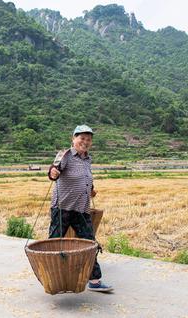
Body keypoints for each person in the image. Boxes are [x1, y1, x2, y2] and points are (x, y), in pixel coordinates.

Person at [48, 125, 114, 293]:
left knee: (90, 243)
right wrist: (53, 173)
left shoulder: (87, 159)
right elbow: (54, 170)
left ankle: (94, 281)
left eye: (88, 139)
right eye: (82, 138)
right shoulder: (66, 155)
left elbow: (86, 178)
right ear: (74, 138)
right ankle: (50, 277)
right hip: (62, 207)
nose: (85, 142)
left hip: (81, 209)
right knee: (54, 244)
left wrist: (91, 189)